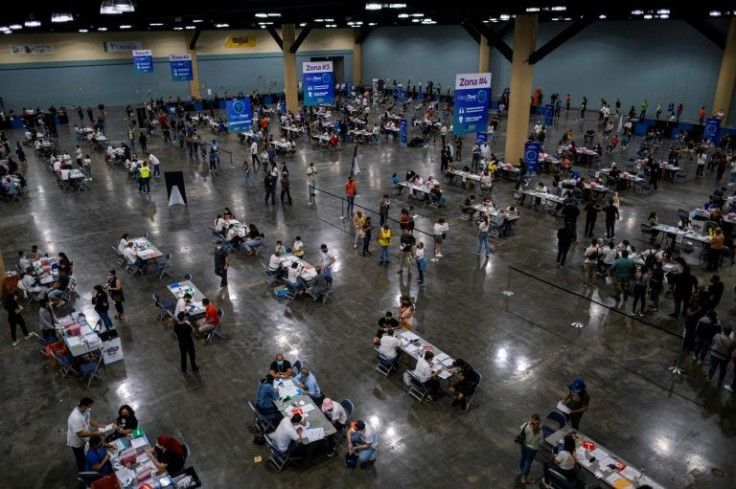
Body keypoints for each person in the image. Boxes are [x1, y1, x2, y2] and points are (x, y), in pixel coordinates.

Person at [67, 397, 109, 471]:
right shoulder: (75, 418)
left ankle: (88, 461)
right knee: (80, 458)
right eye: (89, 406)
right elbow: (80, 434)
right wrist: (95, 433)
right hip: (77, 441)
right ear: (83, 406)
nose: (90, 408)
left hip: (85, 436)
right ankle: (82, 473)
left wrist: (97, 425)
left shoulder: (85, 410)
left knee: (86, 452)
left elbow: (88, 419)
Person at [518, 414, 543, 485]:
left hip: (523, 445)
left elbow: (521, 428)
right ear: (539, 422)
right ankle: (524, 478)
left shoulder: (526, 425)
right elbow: (541, 442)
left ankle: (522, 470)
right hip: (532, 449)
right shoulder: (540, 432)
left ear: (531, 419)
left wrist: (528, 423)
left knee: (523, 457)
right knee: (528, 461)